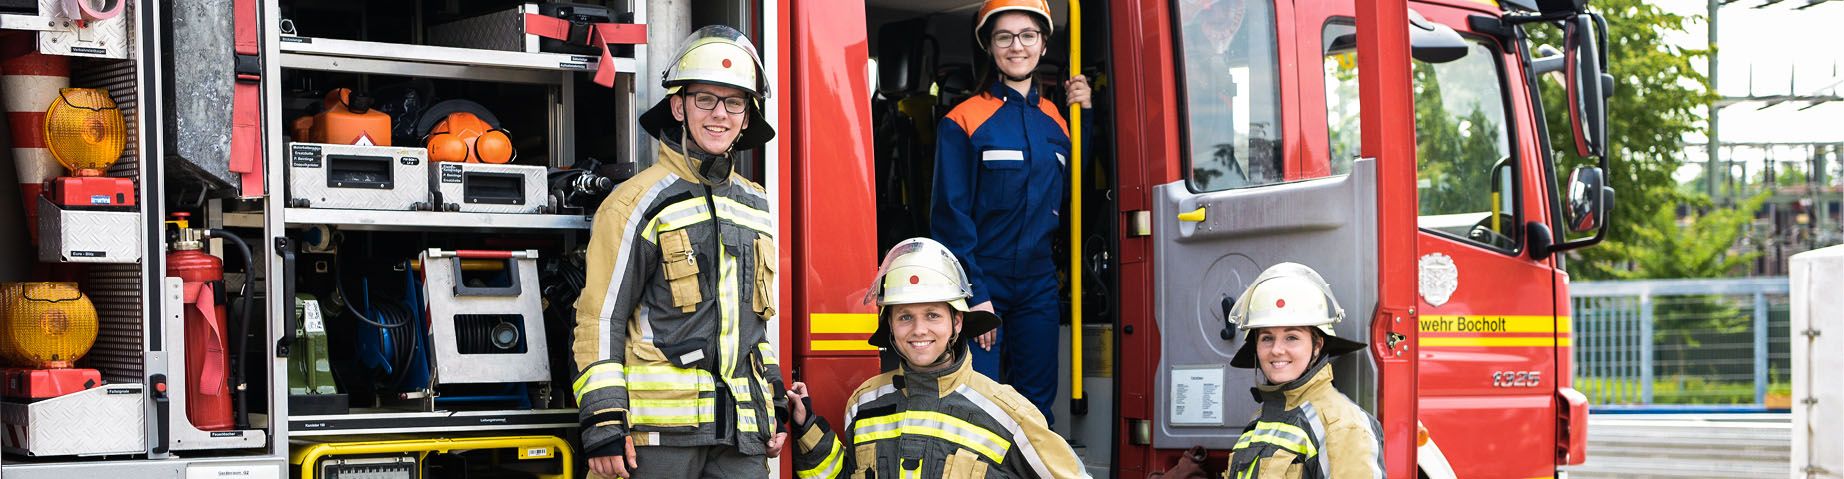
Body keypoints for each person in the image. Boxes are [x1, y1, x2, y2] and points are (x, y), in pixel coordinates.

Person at [571, 25, 787, 479]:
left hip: (741, 438)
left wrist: (776, 400)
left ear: (747, 117)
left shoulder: (756, 204)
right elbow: (600, 318)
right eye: (705, 99)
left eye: (734, 102)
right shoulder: (636, 203)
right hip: (658, 439)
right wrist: (604, 421)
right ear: (678, 105)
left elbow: (753, 329)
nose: (720, 114)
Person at [788, 237, 1090, 478]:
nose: (919, 330)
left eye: (932, 315)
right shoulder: (865, 404)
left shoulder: (1008, 415)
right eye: (905, 317)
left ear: (957, 321)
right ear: (890, 325)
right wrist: (807, 429)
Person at [930, 0, 1094, 425]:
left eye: (1027, 36)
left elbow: (1074, 188)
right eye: (1004, 36)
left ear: (1042, 45)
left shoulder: (1058, 119)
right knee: (976, 401)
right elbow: (951, 216)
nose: (1016, 46)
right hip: (984, 280)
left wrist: (1087, 117)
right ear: (989, 45)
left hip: (1039, 283)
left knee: (1037, 407)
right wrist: (976, 295)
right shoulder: (963, 120)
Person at [1219, 263, 1385, 479]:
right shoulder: (1262, 418)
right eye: (1267, 338)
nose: (1277, 350)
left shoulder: (1343, 425)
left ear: (1317, 346)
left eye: (1292, 337)